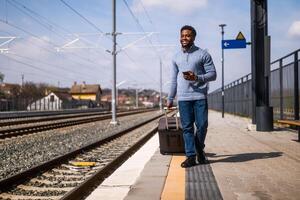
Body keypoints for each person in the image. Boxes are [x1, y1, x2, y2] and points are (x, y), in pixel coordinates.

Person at [167, 25, 217, 168]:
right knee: (187, 128)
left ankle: (199, 148)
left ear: (194, 37)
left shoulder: (203, 54)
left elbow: (213, 74)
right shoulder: (175, 57)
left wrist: (197, 77)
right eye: (182, 35)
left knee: (202, 125)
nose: (184, 38)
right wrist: (170, 98)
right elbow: (173, 79)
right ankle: (191, 156)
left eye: (188, 35)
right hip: (183, 98)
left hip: (199, 96)